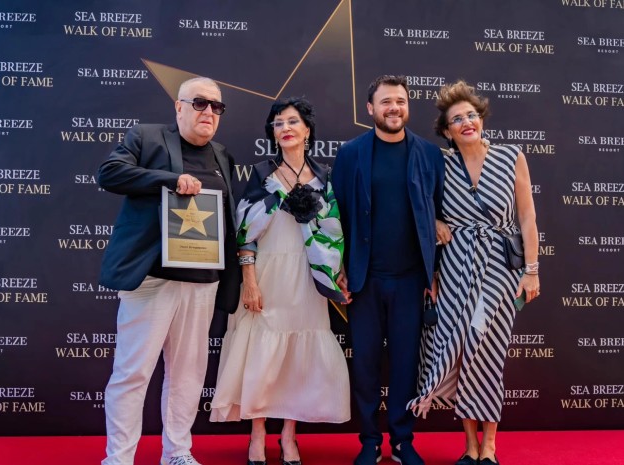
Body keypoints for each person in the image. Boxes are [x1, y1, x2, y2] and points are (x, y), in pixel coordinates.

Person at [97, 76, 241, 465]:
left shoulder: (223, 156)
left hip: (203, 283)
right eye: (199, 103)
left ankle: (177, 452)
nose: (209, 112)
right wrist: (170, 180)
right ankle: (119, 458)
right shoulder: (147, 138)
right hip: (152, 279)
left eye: (217, 106)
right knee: (132, 373)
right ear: (179, 107)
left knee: (189, 375)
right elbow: (109, 173)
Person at [210, 97, 350, 465]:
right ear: (272, 133)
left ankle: (289, 436)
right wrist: (250, 280)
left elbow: (333, 231)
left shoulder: (324, 176)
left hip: (307, 278)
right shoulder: (262, 173)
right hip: (266, 274)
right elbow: (245, 232)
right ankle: (257, 434)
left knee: (298, 359)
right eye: (278, 123)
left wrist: (334, 271)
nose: (285, 128)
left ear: (307, 130)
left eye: (292, 121)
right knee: (261, 353)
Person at [407, 80, 540, 465]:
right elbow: (418, 205)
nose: (466, 122)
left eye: (471, 115)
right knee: (459, 348)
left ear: (481, 120)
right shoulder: (441, 163)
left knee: (486, 348)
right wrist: (435, 222)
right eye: (457, 119)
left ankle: (490, 446)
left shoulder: (511, 156)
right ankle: (469, 444)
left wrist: (532, 270)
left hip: (498, 270)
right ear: (447, 131)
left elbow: (527, 217)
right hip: (454, 270)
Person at [332, 75, 446, 465]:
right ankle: (368, 441)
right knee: (364, 364)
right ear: (370, 109)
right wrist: (340, 266)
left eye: (400, 101)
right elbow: (337, 215)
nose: (394, 108)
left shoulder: (430, 155)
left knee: (405, 364)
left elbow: (439, 214)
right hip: (363, 280)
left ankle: (401, 440)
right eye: (385, 102)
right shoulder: (351, 154)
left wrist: (433, 272)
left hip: (412, 280)